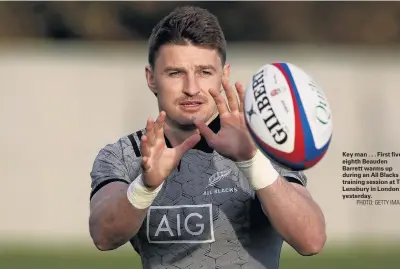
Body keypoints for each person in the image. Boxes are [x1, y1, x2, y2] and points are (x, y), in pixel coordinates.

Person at [89, 5, 326, 269]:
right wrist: (145, 187)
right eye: (175, 73)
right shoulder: (126, 155)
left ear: (224, 75)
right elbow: (104, 236)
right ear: (151, 78)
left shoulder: (261, 145)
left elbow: (311, 240)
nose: (191, 88)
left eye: (204, 72)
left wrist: (251, 161)